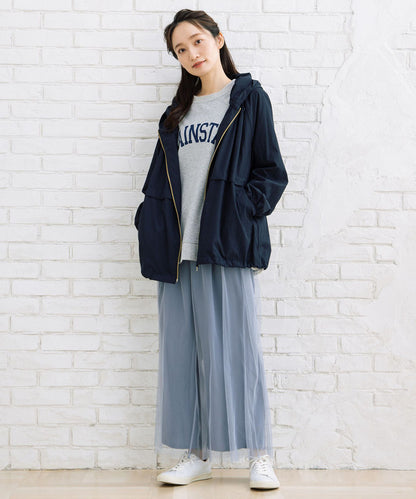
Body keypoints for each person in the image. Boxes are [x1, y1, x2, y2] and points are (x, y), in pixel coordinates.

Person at [134, 8, 288, 490]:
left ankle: (260, 455)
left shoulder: (248, 99)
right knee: (184, 357)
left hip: (226, 246)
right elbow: (158, 181)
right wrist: (147, 221)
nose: (191, 54)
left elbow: (271, 172)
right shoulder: (176, 114)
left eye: (197, 41)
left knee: (238, 354)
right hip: (178, 254)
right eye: (181, 49)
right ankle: (197, 454)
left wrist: (242, 211)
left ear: (218, 39)